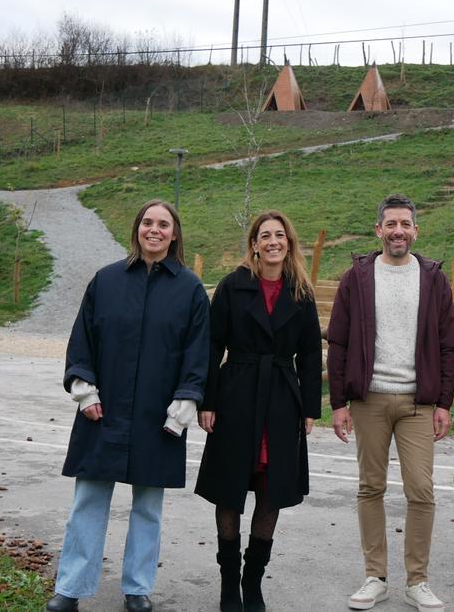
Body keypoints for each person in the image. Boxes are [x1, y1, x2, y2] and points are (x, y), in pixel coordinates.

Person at [47, 199, 210, 612]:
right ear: (137, 228)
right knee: (88, 500)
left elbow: (198, 354)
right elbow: (82, 341)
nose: (154, 230)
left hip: (159, 416)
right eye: (147, 222)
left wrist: (186, 401)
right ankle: (71, 587)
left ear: (174, 234)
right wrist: (85, 391)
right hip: (103, 410)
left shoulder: (190, 289)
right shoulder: (105, 281)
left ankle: (137, 587)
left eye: (163, 224)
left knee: (149, 507)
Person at [327, 193, 454, 612]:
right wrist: (339, 403)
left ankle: (417, 581)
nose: (397, 231)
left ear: (415, 230)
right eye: (391, 224)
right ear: (378, 230)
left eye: (405, 224)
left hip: (418, 402)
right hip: (369, 400)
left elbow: (448, 345)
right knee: (371, 487)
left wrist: (444, 403)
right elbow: (339, 341)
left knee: (421, 490)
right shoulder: (357, 277)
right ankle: (375, 577)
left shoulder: (433, 279)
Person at [194, 210, 322, 612]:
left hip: (282, 399)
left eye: (279, 235)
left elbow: (311, 353)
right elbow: (212, 345)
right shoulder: (233, 286)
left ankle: (252, 583)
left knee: (271, 490)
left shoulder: (300, 290)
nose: (272, 242)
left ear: (289, 243)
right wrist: (208, 401)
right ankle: (228, 584)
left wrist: (309, 407)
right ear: (254, 244)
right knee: (230, 489)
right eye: (265, 235)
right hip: (236, 393)